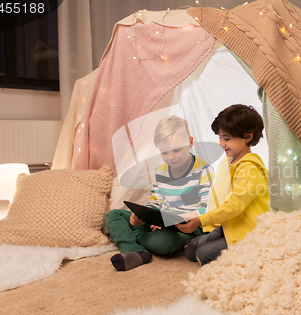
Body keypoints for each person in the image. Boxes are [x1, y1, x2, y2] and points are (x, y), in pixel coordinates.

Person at [105, 116, 214, 271]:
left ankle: (127, 240)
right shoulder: (161, 172)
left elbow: (206, 208)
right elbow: (155, 201)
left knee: (164, 244)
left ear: (190, 142)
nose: (171, 157)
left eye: (177, 149)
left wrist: (168, 220)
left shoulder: (204, 170)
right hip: (159, 221)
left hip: (184, 227)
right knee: (112, 215)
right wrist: (144, 215)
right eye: (164, 152)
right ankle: (136, 249)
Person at [177, 104, 269, 265]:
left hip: (250, 230)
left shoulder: (250, 168)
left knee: (203, 254)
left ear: (248, 136)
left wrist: (200, 220)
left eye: (226, 139)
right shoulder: (231, 160)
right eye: (220, 138)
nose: (221, 143)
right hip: (232, 223)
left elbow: (235, 205)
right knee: (190, 250)